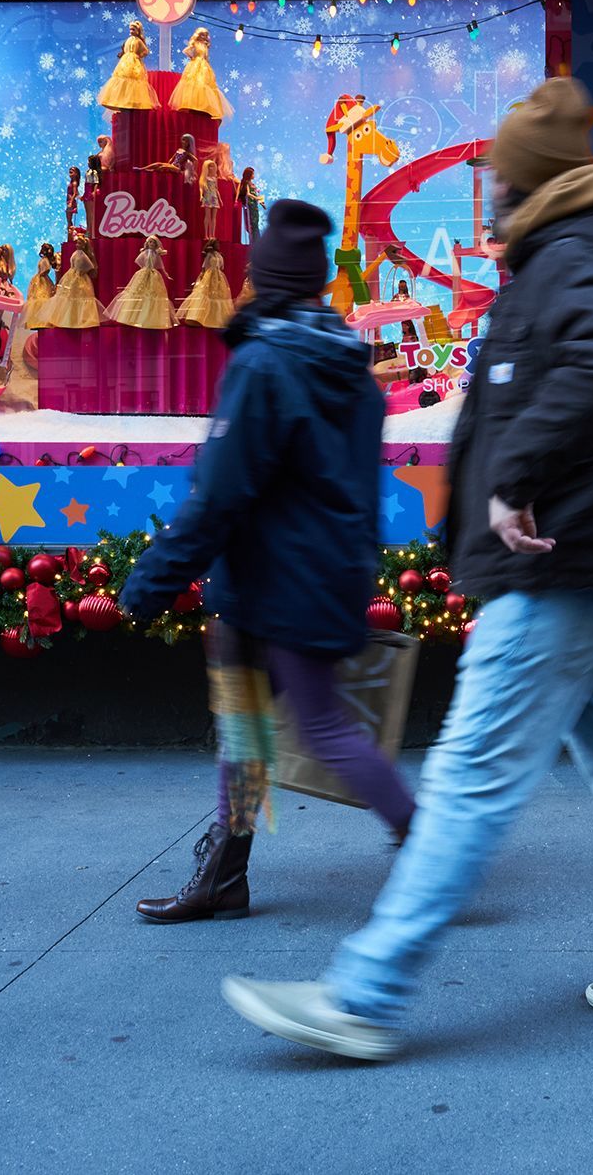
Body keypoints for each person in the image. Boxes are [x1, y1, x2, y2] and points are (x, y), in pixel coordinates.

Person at [219, 76, 593, 1062]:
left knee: (464, 781)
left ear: (529, 177)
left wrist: (514, 480)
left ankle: (363, 997)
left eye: (499, 169)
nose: (488, 185)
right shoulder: (566, 254)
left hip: (555, 568)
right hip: (589, 566)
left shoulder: (569, 256)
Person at [120, 200, 413, 922]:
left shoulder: (263, 361)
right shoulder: (350, 363)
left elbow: (219, 491)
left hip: (276, 581)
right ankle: (226, 869)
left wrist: (153, 580)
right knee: (247, 731)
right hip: (306, 576)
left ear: (264, 277)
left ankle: (434, 850)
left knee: (323, 731)